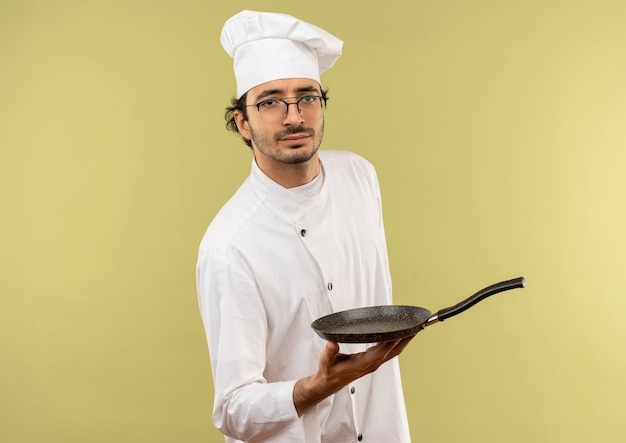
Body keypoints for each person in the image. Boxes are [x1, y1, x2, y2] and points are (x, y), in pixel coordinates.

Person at [196, 10, 414, 443]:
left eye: (307, 97)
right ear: (243, 122)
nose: (294, 117)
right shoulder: (230, 247)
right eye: (270, 101)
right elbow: (233, 410)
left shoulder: (359, 176)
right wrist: (315, 388)